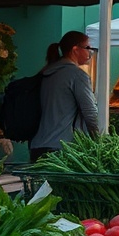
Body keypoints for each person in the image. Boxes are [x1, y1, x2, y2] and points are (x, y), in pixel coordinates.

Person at [29, 31, 99, 162]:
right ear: (75, 49)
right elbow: (90, 112)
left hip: (38, 145)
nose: (90, 52)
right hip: (63, 148)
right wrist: (99, 140)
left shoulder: (47, 72)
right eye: (88, 47)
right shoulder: (77, 75)